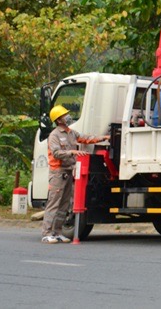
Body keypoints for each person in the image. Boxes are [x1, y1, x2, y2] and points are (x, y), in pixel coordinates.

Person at [41, 105, 107, 244]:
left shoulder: (71, 133)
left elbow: (85, 138)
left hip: (69, 171)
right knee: (54, 203)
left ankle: (57, 232)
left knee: (65, 205)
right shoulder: (54, 135)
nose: (68, 117)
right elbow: (56, 153)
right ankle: (47, 233)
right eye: (65, 115)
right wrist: (73, 152)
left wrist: (103, 138)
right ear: (58, 120)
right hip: (58, 173)